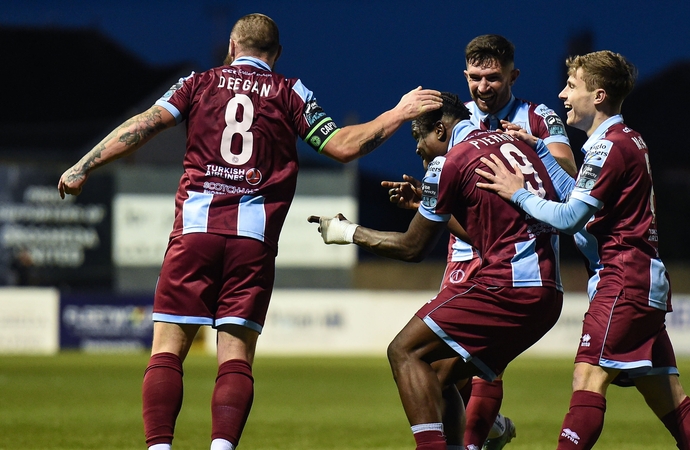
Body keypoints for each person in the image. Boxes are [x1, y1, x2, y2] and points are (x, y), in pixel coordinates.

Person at [57, 13, 442, 450]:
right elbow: (343, 147)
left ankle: (159, 447)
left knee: (167, 348)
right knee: (235, 356)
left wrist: (83, 164)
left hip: (195, 232)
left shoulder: (197, 84)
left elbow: (143, 124)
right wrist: (397, 112)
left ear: (232, 47)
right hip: (252, 241)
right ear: (276, 55)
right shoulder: (289, 91)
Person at [475, 50, 690, 450]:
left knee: (587, 380)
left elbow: (571, 217)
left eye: (572, 86)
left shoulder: (607, 148)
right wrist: (539, 150)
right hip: (643, 279)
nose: (562, 94)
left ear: (599, 96)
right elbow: (583, 198)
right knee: (671, 400)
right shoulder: (626, 140)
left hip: (622, 279)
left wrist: (517, 193)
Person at [309, 92, 564, 450]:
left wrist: (347, 232)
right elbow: (488, 231)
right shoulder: (513, 143)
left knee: (403, 351)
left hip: (507, 287)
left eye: (418, 136)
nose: (417, 149)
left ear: (442, 130)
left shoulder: (450, 164)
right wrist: (425, 203)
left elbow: (412, 248)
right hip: (548, 294)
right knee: (439, 375)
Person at [383, 34, 578, 450]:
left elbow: (565, 169)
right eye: (475, 78)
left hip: (515, 255)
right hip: (463, 255)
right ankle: (487, 430)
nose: (483, 87)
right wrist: (424, 198)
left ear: (513, 75)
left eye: (492, 78)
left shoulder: (537, 117)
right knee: (439, 372)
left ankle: (473, 439)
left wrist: (526, 149)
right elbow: (442, 177)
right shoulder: (455, 118)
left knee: (478, 366)